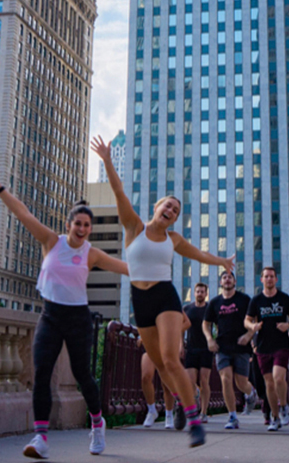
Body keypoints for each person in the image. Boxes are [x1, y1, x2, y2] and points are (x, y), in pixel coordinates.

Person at [94, 136, 235, 448]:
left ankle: (194, 420)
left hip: (166, 298)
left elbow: (199, 254)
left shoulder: (173, 238)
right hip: (140, 300)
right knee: (159, 364)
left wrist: (223, 261)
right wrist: (106, 159)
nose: (171, 209)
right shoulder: (133, 227)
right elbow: (118, 192)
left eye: (176, 209)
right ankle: (179, 396)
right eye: (167, 205)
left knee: (171, 359)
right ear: (157, 208)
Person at [0, 167, 129, 459]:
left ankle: (97, 423)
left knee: (83, 375)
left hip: (78, 320)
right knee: (42, 374)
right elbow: (23, 214)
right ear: (69, 223)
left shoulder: (91, 253)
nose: (82, 229)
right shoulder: (52, 241)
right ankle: (41, 438)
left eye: (87, 225)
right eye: (78, 223)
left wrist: (155, 270)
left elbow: (126, 268)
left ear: (91, 228)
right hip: (50, 317)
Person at [203, 270, 257, 430]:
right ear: (221, 283)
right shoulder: (214, 303)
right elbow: (206, 323)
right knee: (225, 378)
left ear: (234, 281)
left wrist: (249, 334)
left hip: (241, 346)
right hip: (222, 347)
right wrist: (209, 339)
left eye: (230, 277)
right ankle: (232, 416)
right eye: (224, 277)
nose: (227, 280)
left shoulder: (244, 299)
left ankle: (251, 392)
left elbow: (255, 319)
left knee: (241, 383)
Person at [245, 266, 289, 431]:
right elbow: (246, 321)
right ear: (261, 280)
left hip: (281, 344)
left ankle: (284, 406)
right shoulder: (256, 300)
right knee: (269, 383)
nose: (269, 279)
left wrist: (287, 325)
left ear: (276, 279)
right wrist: (253, 326)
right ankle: (274, 417)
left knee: (278, 378)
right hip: (262, 346)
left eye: (272, 276)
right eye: (266, 276)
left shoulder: (284, 298)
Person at [141, 312, 191, 429]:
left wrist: (171, 331)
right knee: (145, 376)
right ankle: (152, 410)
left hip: (166, 346)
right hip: (151, 345)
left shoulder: (169, 299)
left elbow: (187, 322)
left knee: (166, 383)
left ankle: (169, 414)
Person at [183, 283, 214, 422]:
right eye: (197, 291)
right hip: (190, 348)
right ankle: (194, 404)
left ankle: (204, 412)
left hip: (206, 349)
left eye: (202, 291)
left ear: (206, 294)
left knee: (204, 381)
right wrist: (179, 346)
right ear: (194, 293)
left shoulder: (210, 309)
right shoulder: (187, 309)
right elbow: (180, 328)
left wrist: (216, 341)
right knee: (190, 382)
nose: (200, 294)